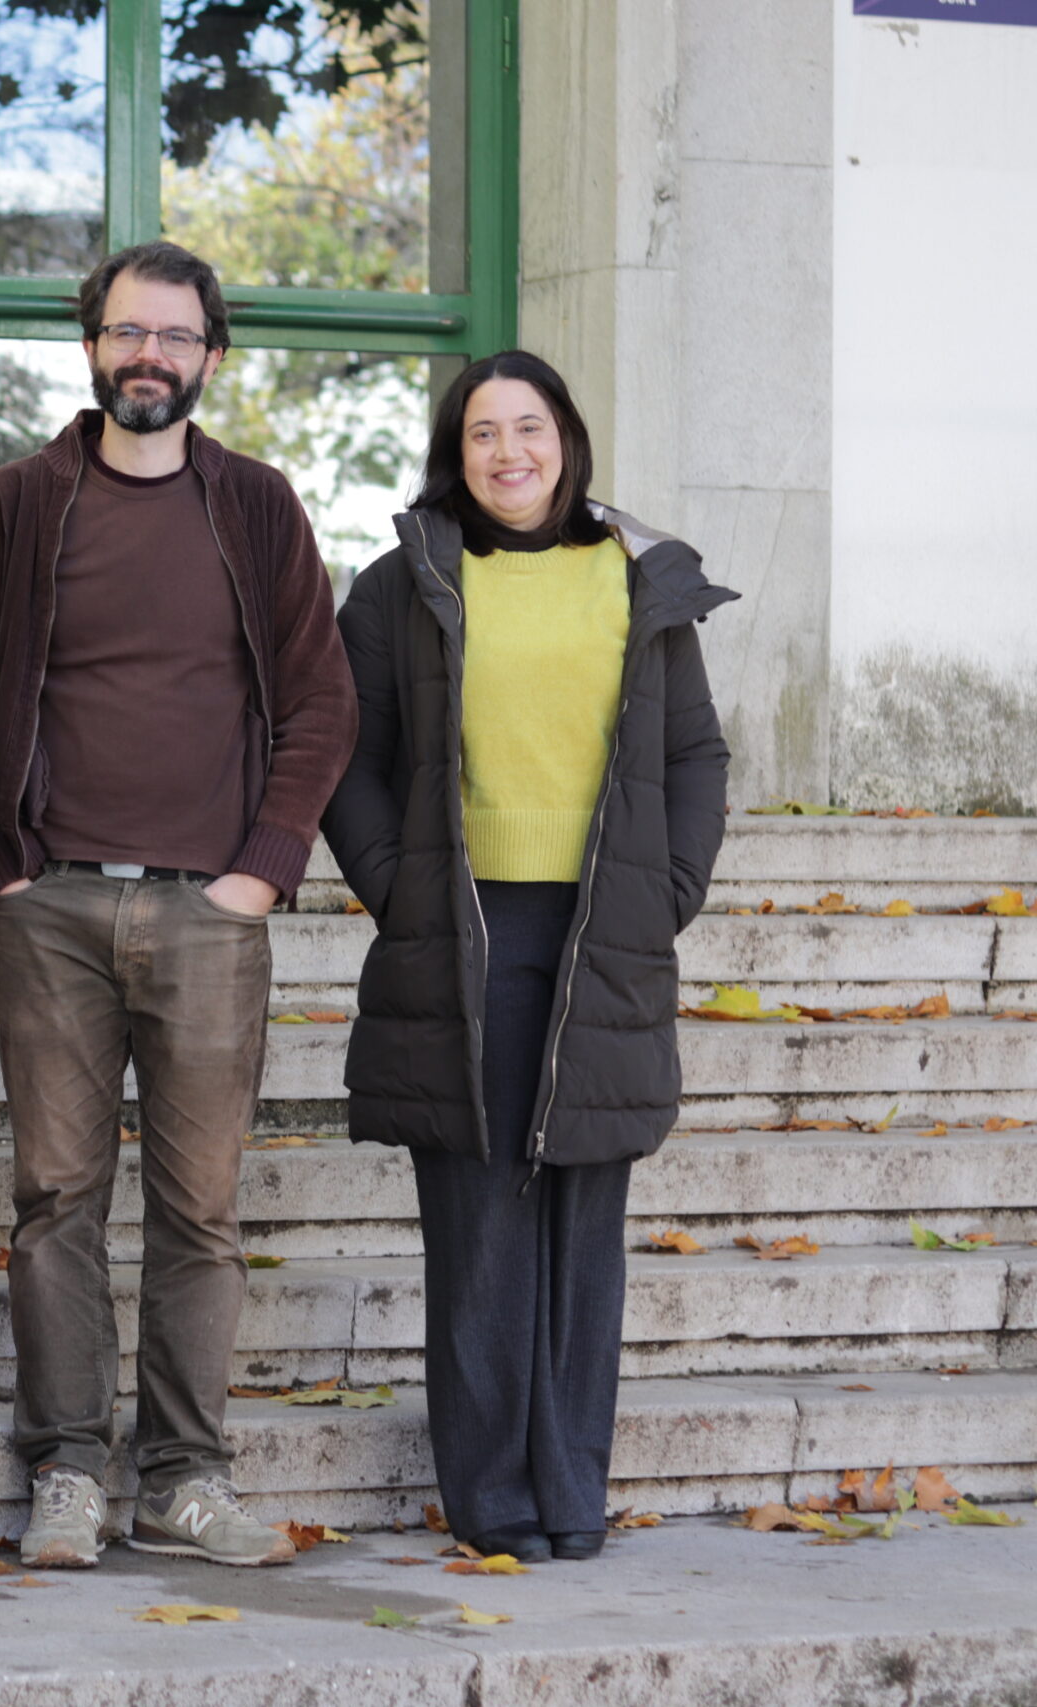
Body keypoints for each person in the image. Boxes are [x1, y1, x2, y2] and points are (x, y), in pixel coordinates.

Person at [0, 241, 357, 1570]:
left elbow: (321, 699)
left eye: (176, 337)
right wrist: (1, 867)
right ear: (92, 347)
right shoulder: (18, 501)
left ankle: (183, 1475)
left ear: (211, 358)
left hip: (209, 912)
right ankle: (67, 1465)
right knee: (57, 1198)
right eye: (129, 332)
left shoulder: (257, 504)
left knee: (201, 1210)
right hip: (52, 902)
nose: (150, 356)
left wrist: (260, 869)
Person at [322, 349, 732, 1564]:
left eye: (529, 429)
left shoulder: (638, 581)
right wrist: (397, 887)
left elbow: (696, 754)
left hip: (601, 927)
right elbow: (351, 755)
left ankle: (569, 1492)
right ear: (456, 456)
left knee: (583, 1226)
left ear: (567, 441)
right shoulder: (404, 585)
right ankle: (493, 1497)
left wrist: (665, 893)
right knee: (479, 1223)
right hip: (462, 927)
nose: (508, 453)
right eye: (482, 435)